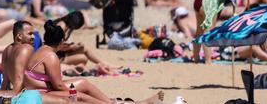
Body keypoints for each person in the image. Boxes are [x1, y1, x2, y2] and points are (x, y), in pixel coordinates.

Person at [23, 22, 163, 104]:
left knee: (83, 83)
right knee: (81, 96)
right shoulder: (51, 56)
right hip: (40, 94)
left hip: (41, 90)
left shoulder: (42, 50)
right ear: (61, 42)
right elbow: (58, 85)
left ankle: (114, 103)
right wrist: (75, 93)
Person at [1, 21, 35, 92]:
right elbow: (19, 78)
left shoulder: (6, 50)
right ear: (19, 36)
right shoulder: (26, 48)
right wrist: (14, 98)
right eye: (30, 34)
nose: (33, 37)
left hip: (17, 91)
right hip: (26, 93)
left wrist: (2, 95)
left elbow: (5, 81)